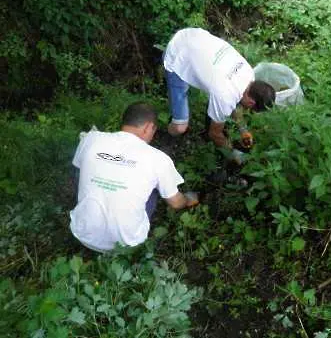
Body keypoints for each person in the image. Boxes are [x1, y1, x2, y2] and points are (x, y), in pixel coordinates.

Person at [70, 102, 198, 252]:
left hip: (82, 233)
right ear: (148, 127)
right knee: (156, 186)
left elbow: (79, 167)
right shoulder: (158, 159)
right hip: (125, 244)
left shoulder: (90, 139)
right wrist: (189, 199)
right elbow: (176, 203)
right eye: (154, 130)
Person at [163, 28, 276, 163]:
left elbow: (237, 102)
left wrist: (243, 130)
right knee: (180, 127)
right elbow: (214, 134)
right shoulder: (225, 96)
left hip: (194, 36)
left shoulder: (249, 74)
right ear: (251, 103)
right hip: (177, 53)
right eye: (251, 108)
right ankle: (166, 138)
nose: (247, 110)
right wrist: (235, 154)